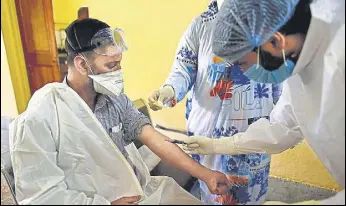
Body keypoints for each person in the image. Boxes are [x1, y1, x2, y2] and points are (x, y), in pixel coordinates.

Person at [9, 18, 231, 205]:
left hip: (133, 192)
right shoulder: (44, 114)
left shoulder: (115, 100)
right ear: (82, 64)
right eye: (111, 66)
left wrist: (206, 174)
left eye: (119, 63)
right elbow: (41, 195)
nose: (118, 72)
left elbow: (157, 140)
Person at [182, 0, 345, 204]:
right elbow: (282, 127)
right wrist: (220, 145)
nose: (241, 72)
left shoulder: (339, 57)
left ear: (275, 42)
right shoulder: (297, 59)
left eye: (242, 63)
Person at [148, 0, 282, 204]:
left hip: (253, 131)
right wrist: (169, 90)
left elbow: (279, 79)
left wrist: (280, 120)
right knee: (214, 191)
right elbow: (183, 68)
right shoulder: (201, 25)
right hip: (207, 135)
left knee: (251, 192)